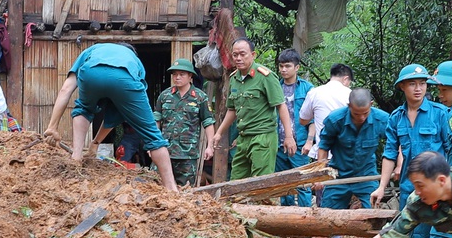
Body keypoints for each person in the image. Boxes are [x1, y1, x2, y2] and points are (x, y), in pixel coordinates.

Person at [42, 43, 180, 192]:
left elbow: (66, 89)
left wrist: (52, 127)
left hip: (92, 71)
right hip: (126, 77)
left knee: (83, 109)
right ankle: (171, 189)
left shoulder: (92, 50)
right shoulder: (134, 60)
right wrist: (95, 143)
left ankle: (76, 157)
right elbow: (113, 118)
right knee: (153, 137)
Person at [374, 64, 450, 238]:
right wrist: (382, 186)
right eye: (412, 84)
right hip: (411, 193)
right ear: (402, 87)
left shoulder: (441, 114)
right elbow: (389, 154)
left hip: (439, 195)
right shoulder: (395, 118)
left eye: (422, 83)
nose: (418, 88)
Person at [308, 88, 384, 238]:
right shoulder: (336, 119)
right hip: (339, 175)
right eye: (357, 114)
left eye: (365, 113)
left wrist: (398, 166)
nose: (362, 118)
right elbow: (323, 147)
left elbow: (395, 143)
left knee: (372, 218)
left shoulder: (382, 119)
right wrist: (320, 173)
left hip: (367, 175)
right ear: (349, 106)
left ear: (371, 106)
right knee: (325, 219)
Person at [211, 37, 293, 181]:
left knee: (261, 183)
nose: (238, 58)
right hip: (243, 138)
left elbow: (281, 105)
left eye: (243, 54)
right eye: (235, 55)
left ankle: (265, 204)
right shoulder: (234, 78)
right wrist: (219, 133)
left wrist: (288, 136)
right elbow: (232, 110)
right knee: (236, 182)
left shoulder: (265, 76)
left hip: (263, 137)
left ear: (253, 55)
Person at [156, 59, 214, 187]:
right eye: (175, 74)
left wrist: (210, 146)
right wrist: (153, 143)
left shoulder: (200, 97)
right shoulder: (165, 96)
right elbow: (157, 121)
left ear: (190, 76)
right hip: (165, 151)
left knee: (186, 190)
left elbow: (208, 122)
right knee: (159, 188)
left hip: (187, 154)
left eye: (181, 74)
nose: (177, 77)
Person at [275, 49, 315, 207]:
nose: (283, 69)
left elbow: (313, 119)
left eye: (287, 66)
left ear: (297, 67)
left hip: (300, 143)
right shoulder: (275, 86)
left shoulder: (307, 89)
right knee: (283, 183)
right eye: (281, 66)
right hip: (279, 143)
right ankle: (287, 220)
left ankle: (307, 219)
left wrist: (309, 142)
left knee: (303, 182)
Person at [297, 63, 354, 153]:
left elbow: (302, 120)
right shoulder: (351, 95)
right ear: (346, 79)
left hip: (321, 152)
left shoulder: (314, 93)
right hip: (345, 153)